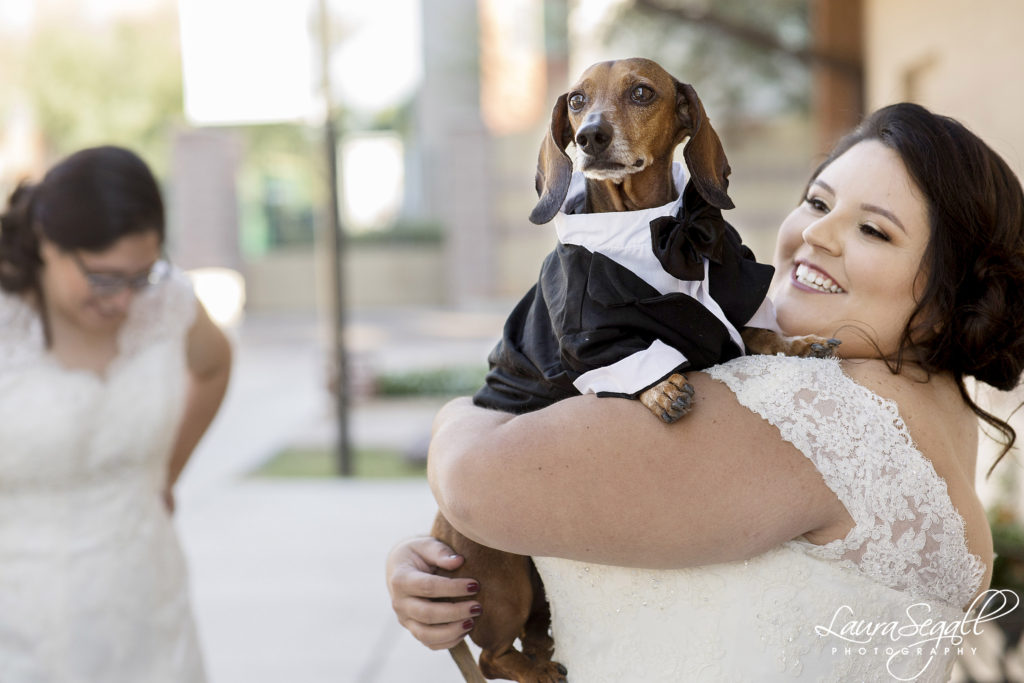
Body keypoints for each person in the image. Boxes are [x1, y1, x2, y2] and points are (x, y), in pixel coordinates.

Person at [386, 102, 1024, 681]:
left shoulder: (814, 412)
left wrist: (454, 418)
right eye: (819, 202)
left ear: (951, 297)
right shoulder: (931, 404)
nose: (818, 235)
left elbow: (475, 480)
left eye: (874, 231)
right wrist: (449, 577)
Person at [0, 145, 231, 682]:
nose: (124, 301)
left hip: (147, 603)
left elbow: (216, 365)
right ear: (48, 245)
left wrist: (167, 474)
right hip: (21, 619)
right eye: (104, 278)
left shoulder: (165, 302)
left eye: (140, 276)